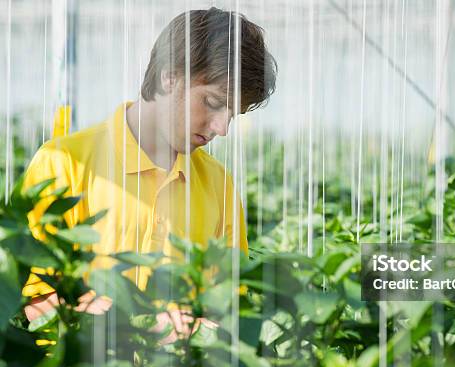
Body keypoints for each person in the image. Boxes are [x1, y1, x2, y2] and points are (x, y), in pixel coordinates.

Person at [21, 7, 277, 343]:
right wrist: (141, 326)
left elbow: (229, 309)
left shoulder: (220, 186)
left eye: (233, 114)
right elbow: (32, 299)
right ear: (169, 77)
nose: (222, 128)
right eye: (214, 102)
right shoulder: (64, 163)